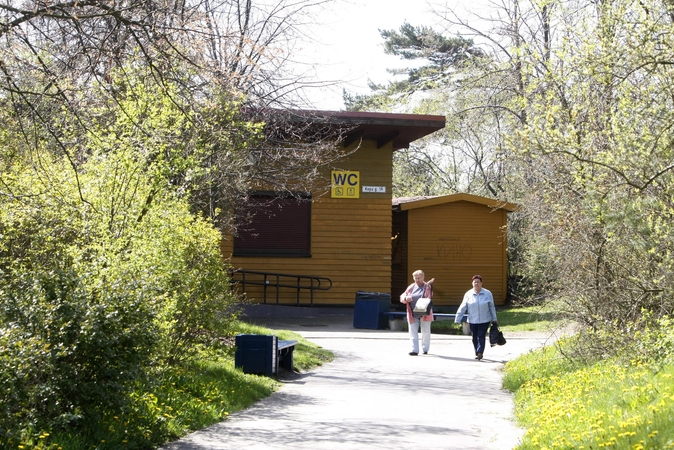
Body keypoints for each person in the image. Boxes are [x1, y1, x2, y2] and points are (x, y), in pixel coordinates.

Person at [454, 275, 497, 361]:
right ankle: (477, 352)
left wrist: (494, 318)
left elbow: (492, 306)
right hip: (473, 320)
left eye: (478, 282)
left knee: (481, 335)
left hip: (484, 320)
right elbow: (463, 306)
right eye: (475, 282)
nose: (476, 283)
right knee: (474, 337)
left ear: (481, 283)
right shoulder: (468, 294)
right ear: (472, 283)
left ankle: (480, 352)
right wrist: (457, 318)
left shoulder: (487, 293)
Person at [400, 270, 434, 356]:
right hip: (412, 313)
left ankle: (425, 349)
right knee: (412, 332)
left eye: (419, 278)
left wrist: (427, 286)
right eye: (415, 278)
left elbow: (429, 296)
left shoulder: (427, 286)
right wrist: (406, 298)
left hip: (425, 313)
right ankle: (414, 349)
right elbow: (402, 296)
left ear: (423, 277)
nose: (417, 280)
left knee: (426, 332)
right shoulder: (411, 287)